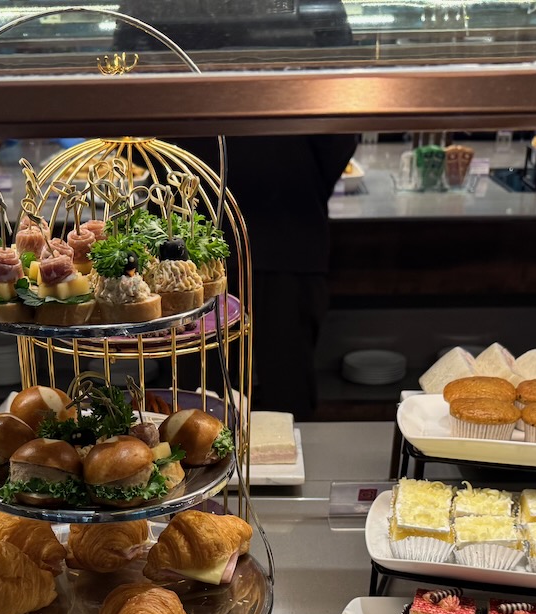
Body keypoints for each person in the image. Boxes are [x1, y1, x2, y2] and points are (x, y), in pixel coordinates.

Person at [115, 1, 358, 417]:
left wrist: (177, 171)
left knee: (195, 400)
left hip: (199, 224)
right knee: (255, 397)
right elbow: (343, 102)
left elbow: (124, 90)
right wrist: (300, 175)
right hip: (277, 218)